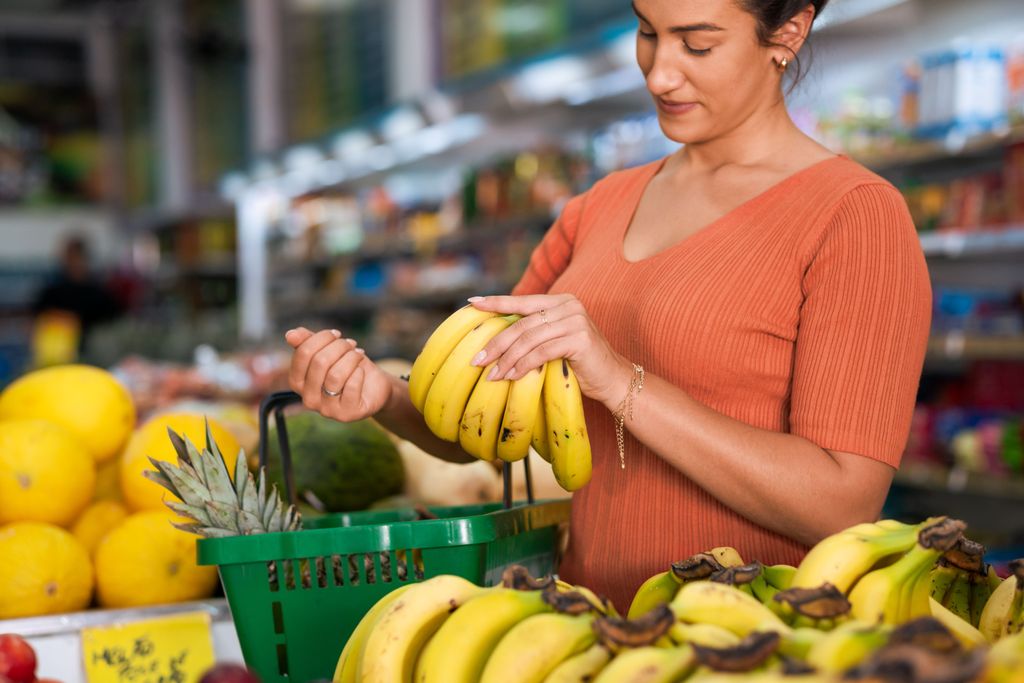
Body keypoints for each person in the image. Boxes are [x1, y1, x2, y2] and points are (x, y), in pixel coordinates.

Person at [284, 0, 932, 611]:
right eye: (648, 31)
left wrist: (619, 380)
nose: (660, 72)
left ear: (787, 33)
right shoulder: (599, 207)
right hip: (584, 627)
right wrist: (383, 395)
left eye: (698, 43)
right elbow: (482, 425)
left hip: (751, 637)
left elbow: (842, 501)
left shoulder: (854, 215)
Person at [32, 235, 122, 356]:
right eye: (68, 257)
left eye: (75, 256)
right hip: (58, 354)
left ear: (85, 258)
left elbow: (113, 322)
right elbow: (37, 318)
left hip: (92, 354)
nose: (71, 261)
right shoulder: (52, 292)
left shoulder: (99, 293)